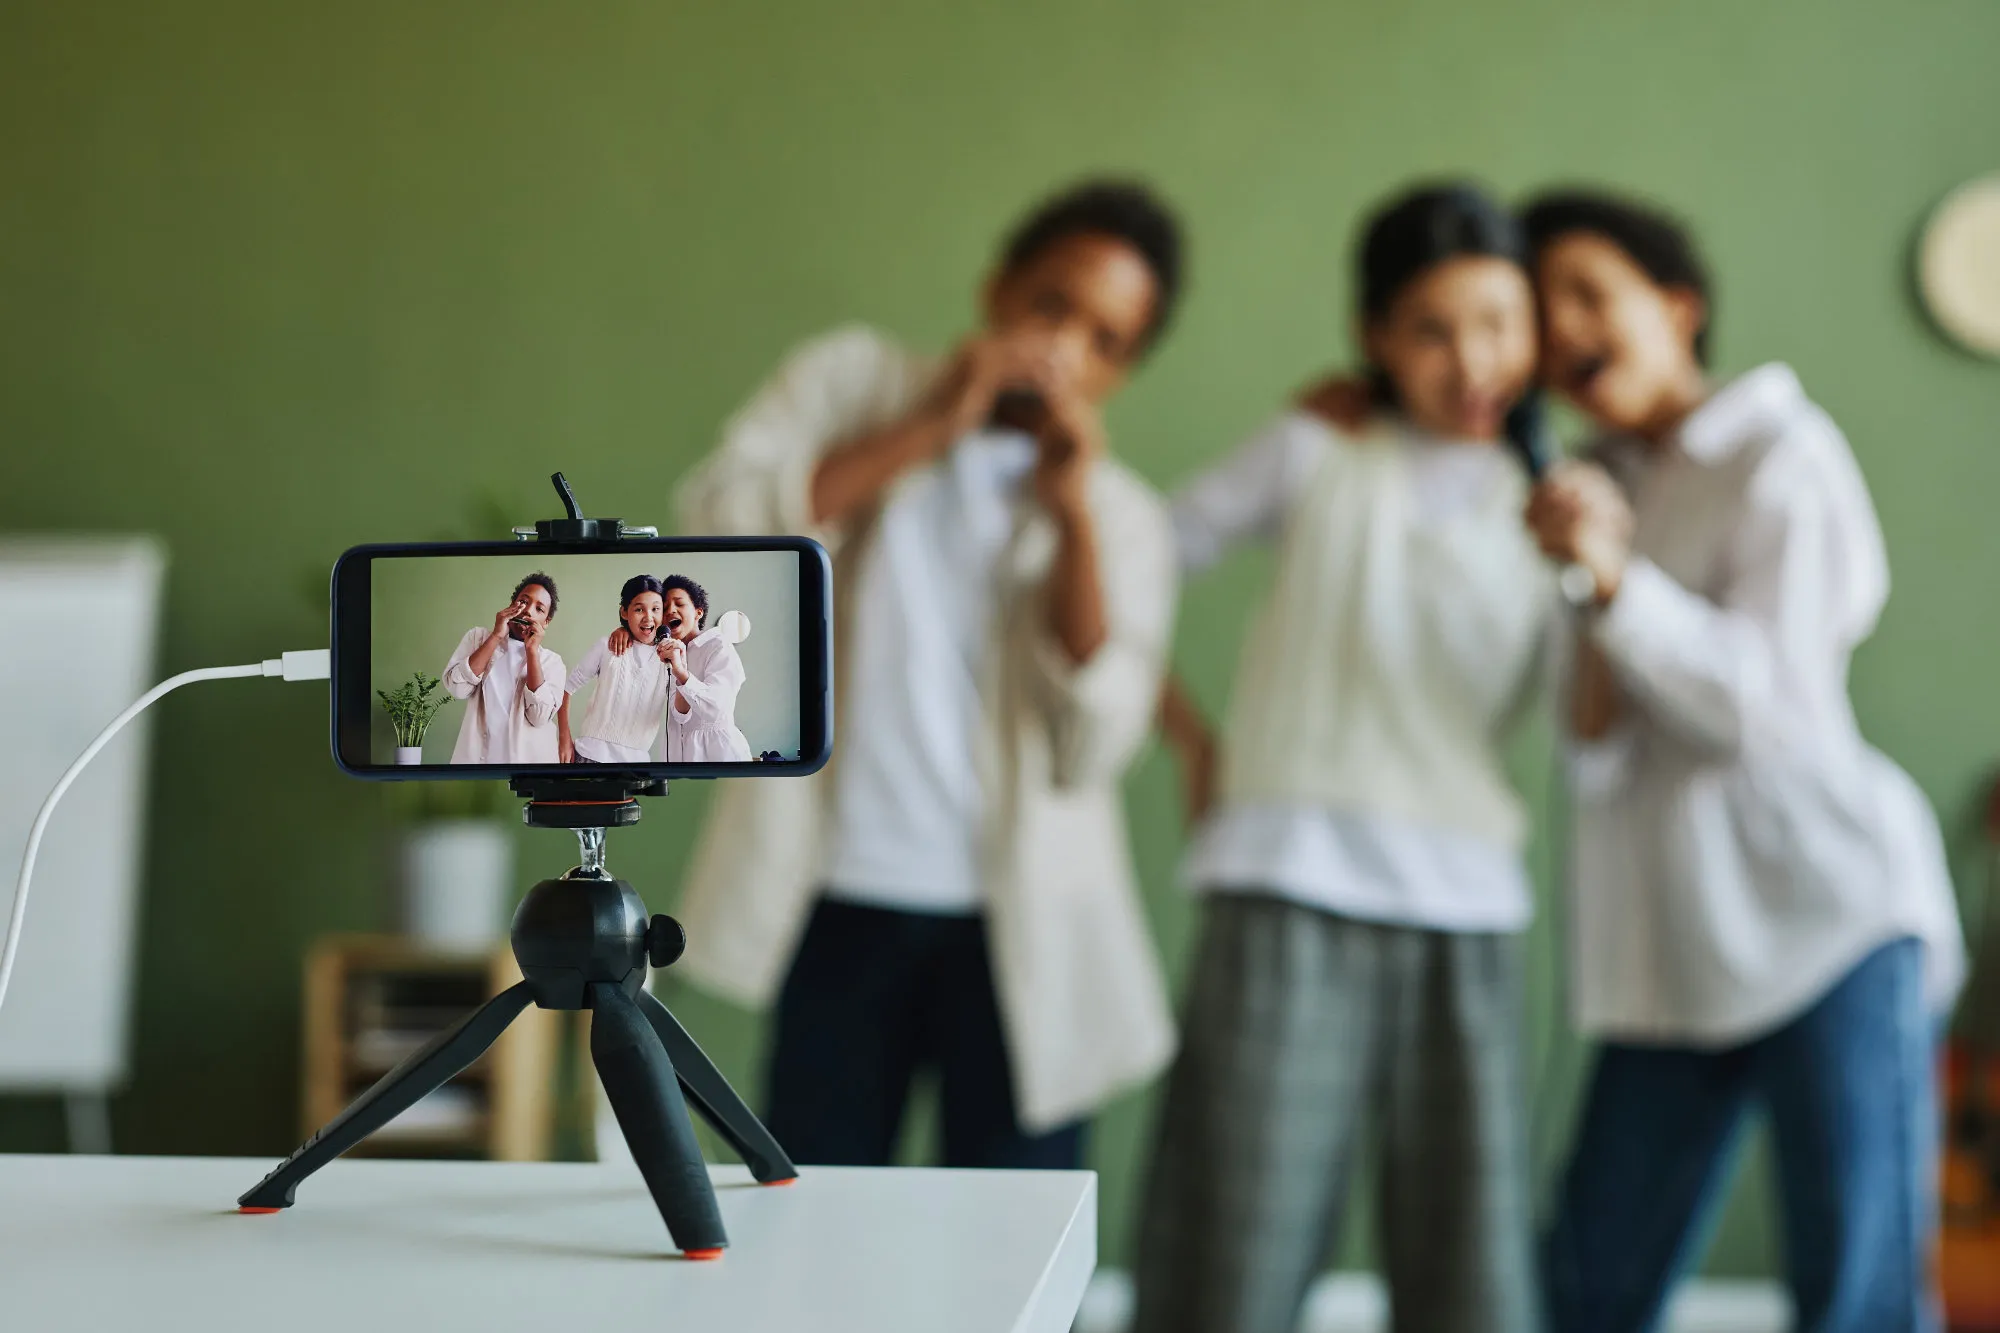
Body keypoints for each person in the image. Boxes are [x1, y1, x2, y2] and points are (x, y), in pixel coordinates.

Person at [665, 179, 1185, 1170]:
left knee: (1014, 1237)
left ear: (1120, 371)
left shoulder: (1120, 515)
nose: (1065, 346)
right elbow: (714, 540)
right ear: (997, 289)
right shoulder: (851, 380)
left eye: (1105, 340)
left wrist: (1069, 513)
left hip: (1023, 926)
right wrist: (933, 427)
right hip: (838, 895)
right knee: (810, 1210)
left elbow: (1095, 742)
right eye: (1050, 305)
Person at [1520, 188, 1966, 1333]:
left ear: (1675, 306)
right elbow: (1587, 744)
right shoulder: (1598, 485)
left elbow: (1763, 709)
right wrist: (1582, 576)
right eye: (1538, 307)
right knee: (1585, 1286)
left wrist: (1616, 584)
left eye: (1585, 292)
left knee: (1855, 1298)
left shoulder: (1782, 452)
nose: (1558, 326)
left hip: (1829, 921)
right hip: (1670, 947)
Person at [1132, 183, 1550, 1333]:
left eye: (1497, 323)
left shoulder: (1559, 495)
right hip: (1284, 878)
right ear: (1372, 334)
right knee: (1232, 1247)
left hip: (1466, 902)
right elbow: (1137, 554)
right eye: (1428, 327)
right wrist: (1181, 727)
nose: (1470, 359)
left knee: (1469, 1266)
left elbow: (1588, 717)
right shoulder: (1314, 443)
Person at [442, 572, 565, 764]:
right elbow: (457, 688)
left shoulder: (553, 662)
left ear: (546, 622)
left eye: (539, 609)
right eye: (523, 601)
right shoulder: (478, 638)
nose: (528, 611)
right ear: (512, 604)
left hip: (531, 767)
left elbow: (539, 717)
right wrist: (496, 637)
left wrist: (532, 651)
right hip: (479, 762)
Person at [557, 574, 676, 764]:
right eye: (639, 609)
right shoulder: (607, 646)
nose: (648, 617)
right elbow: (565, 688)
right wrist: (563, 737)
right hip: (590, 756)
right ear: (624, 612)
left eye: (655, 609)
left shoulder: (671, 658)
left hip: (636, 766)